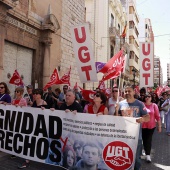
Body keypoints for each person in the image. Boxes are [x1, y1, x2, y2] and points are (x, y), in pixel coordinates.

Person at [118, 84, 150, 170]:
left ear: (134, 92)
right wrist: (115, 110)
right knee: (123, 157)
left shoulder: (140, 104)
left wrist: (142, 119)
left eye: (129, 91)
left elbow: (148, 117)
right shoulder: (120, 104)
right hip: (123, 136)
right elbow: (115, 119)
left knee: (136, 158)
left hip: (136, 137)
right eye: (126, 91)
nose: (127, 93)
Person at [18, 88, 47, 169]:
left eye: (36, 94)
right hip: (34, 126)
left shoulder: (44, 103)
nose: (34, 95)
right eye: (34, 94)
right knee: (30, 141)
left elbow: (49, 115)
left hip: (41, 127)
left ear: (40, 95)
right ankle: (27, 161)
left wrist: (46, 110)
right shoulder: (34, 103)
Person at [142, 93, 161, 163]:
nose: (147, 98)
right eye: (146, 96)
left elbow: (157, 116)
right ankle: (145, 149)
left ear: (151, 98)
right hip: (142, 126)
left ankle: (148, 155)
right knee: (144, 139)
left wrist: (159, 126)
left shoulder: (154, 105)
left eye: (149, 96)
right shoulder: (141, 104)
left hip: (151, 126)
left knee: (148, 140)